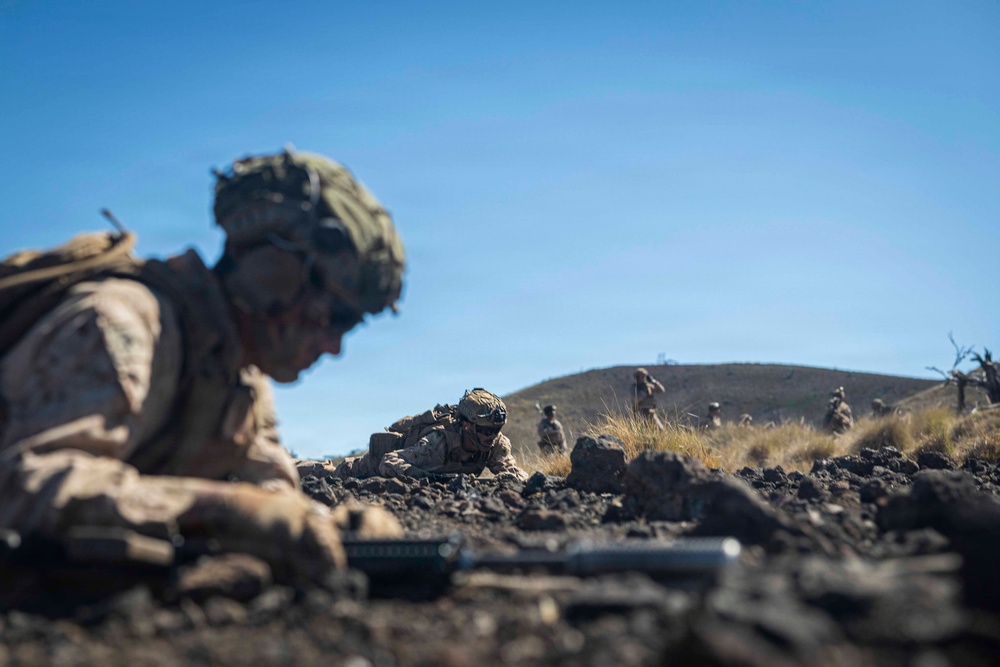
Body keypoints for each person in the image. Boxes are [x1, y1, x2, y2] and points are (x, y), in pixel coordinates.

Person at [0, 148, 405, 583]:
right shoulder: (121, 326)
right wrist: (222, 513)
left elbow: (267, 497)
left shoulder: (240, 378)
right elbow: (23, 486)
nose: (334, 347)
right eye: (335, 317)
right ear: (276, 272)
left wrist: (334, 528)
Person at [332, 389, 528, 482]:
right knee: (327, 473)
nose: (491, 437)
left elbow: (516, 473)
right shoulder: (438, 443)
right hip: (368, 468)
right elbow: (389, 461)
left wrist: (508, 479)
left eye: (496, 430)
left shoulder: (497, 444)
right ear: (467, 425)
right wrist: (423, 476)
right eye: (485, 430)